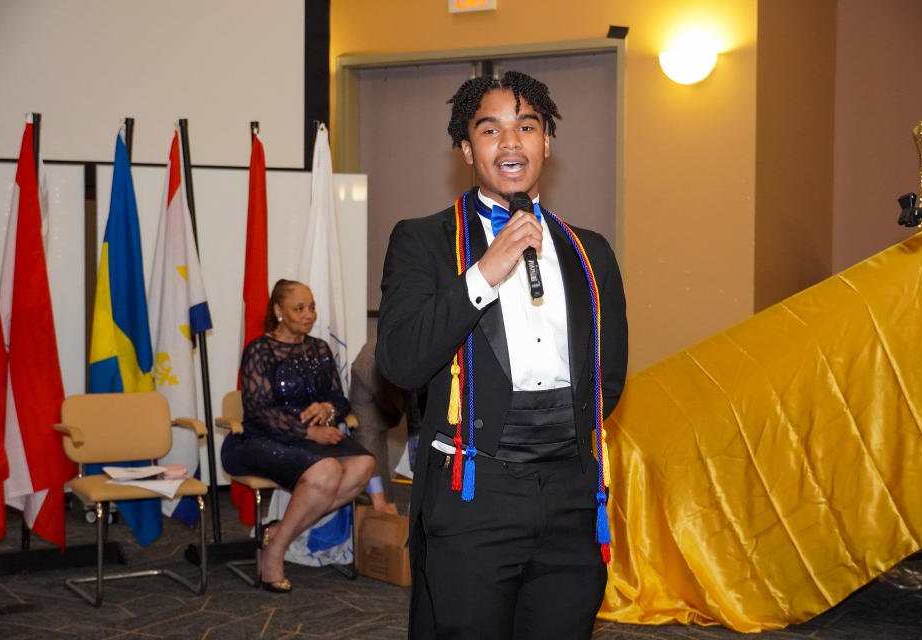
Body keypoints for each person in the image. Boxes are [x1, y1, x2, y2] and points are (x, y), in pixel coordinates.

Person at [376, 71, 628, 639]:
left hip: (570, 494)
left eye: (526, 127)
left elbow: (606, 376)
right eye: (490, 130)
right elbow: (400, 362)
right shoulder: (423, 241)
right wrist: (485, 273)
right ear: (467, 149)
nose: (510, 143)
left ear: (547, 143)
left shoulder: (591, 253)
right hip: (474, 493)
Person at [221, 279, 375, 593]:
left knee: (363, 465)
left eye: (312, 307)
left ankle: (277, 533)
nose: (309, 315)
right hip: (260, 440)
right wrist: (307, 430)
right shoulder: (260, 350)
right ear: (278, 310)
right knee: (328, 471)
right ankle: (276, 552)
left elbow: (341, 400)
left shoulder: (319, 348)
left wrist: (326, 408)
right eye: (299, 308)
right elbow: (257, 411)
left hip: (309, 438)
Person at [349, 332, 423, 514]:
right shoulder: (365, 370)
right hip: (383, 399)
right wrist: (379, 500)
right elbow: (367, 436)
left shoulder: (429, 357)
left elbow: (420, 428)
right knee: (378, 497)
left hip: (433, 387)